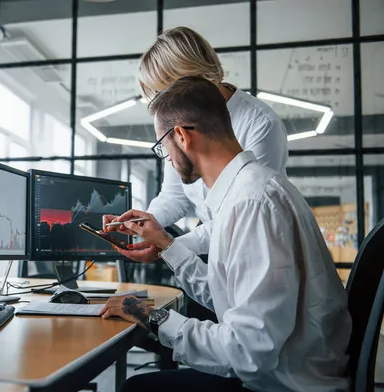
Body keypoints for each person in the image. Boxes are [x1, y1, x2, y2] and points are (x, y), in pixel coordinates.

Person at [100, 76, 351, 392]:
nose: (168, 160)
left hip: (284, 384)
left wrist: (151, 316)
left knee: (136, 389)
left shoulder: (251, 203)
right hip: (285, 370)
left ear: (181, 136)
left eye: (162, 147)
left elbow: (247, 350)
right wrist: (165, 245)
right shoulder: (249, 191)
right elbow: (228, 297)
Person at [103, 26, 288, 264]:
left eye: (163, 91)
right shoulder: (181, 123)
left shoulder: (260, 122)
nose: (163, 104)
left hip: (257, 247)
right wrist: (143, 224)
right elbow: (174, 196)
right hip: (212, 240)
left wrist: (168, 246)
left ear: (190, 76)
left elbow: (246, 215)